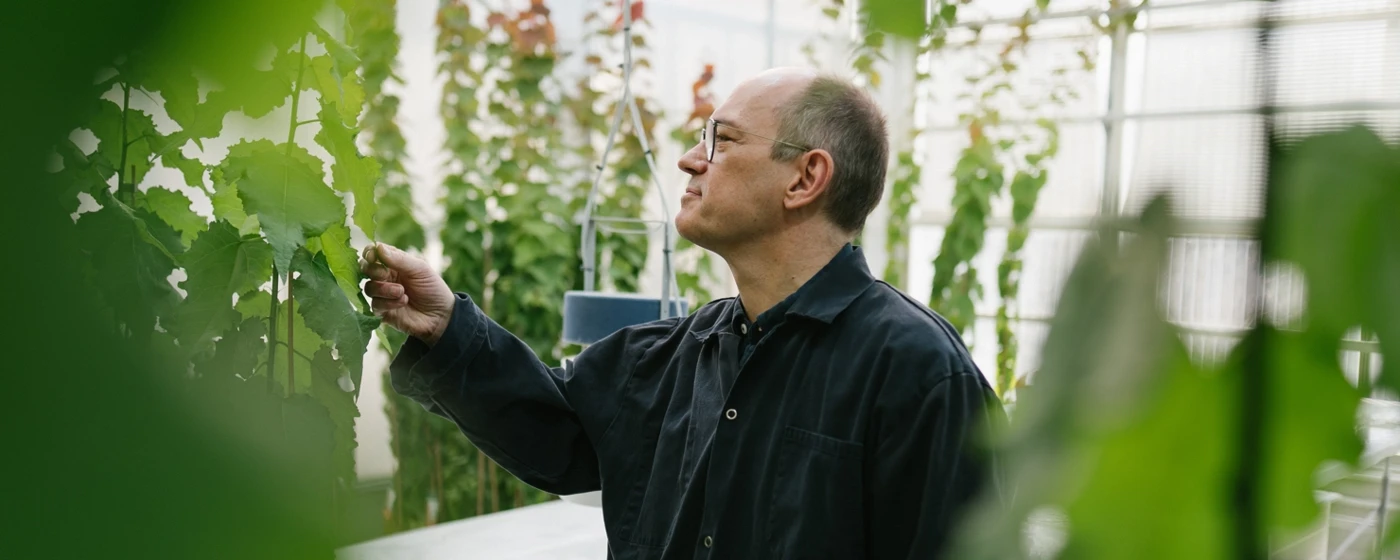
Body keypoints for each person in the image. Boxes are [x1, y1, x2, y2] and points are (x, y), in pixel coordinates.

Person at [362, 67, 1006, 559]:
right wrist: (448, 326)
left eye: (720, 140)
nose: (690, 159)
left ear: (805, 178)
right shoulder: (675, 356)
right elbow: (555, 427)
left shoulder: (918, 375)